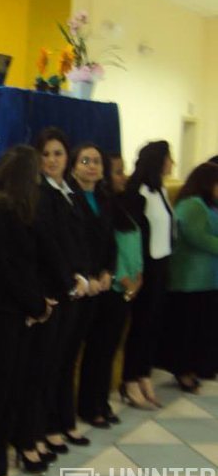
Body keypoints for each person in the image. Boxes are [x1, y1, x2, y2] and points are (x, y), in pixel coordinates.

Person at [0, 145, 54, 476]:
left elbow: (31, 266)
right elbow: (8, 270)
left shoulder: (21, 211)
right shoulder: (3, 212)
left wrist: (39, 303)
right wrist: (37, 304)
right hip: (1, 314)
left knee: (10, 394)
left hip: (19, 312)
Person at [28, 127, 91, 462]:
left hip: (73, 288)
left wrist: (83, 275)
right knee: (44, 365)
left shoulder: (70, 191)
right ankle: (36, 431)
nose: (52, 160)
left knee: (63, 361)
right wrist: (70, 279)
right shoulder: (40, 193)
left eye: (58, 153)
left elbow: (79, 240)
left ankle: (57, 422)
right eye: (46, 154)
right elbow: (48, 244)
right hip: (53, 289)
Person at [78, 153, 143, 422]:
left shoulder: (118, 204)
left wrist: (137, 279)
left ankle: (101, 402)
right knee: (97, 350)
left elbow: (127, 246)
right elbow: (104, 246)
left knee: (109, 350)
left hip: (121, 286)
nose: (123, 177)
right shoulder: (100, 205)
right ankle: (89, 405)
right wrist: (121, 279)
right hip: (109, 287)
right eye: (117, 171)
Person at [66, 143, 117, 430]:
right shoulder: (69, 197)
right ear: (73, 167)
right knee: (71, 353)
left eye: (96, 161)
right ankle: (75, 411)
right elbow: (73, 245)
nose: (92, 166)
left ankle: (98, 402)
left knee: (101, 348)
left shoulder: (105, 198)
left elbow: (109, 240)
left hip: (102, 283)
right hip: (80, 285)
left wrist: (108, 271)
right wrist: (88, 277)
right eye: (85, 161)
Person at [121, 140, 174, 408]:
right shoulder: (138, 192)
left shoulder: (160, 190)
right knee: (141, 325)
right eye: (169, 158)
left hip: (162, 263)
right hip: (146, 268)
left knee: (153, 324)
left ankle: (144, 375)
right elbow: (132, 237)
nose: (172, 163)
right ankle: (130, 379)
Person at [159, 162, 218, 390]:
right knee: (186, 330)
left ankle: (199, 367)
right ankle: (182, 371)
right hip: (189, 279)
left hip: (206, 279)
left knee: (202, 328)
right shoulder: (192, 204)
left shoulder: (208, 204)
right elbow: (197, 237)